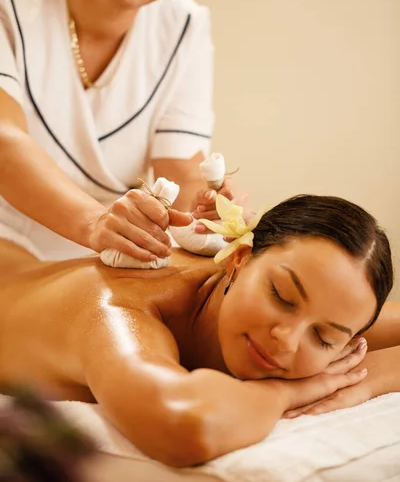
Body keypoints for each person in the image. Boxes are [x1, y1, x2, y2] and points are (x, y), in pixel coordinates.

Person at [0, 195, 399, 467]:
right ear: (240, 260)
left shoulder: (305, 304)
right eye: (281, 295)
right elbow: (184, 424)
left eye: (325, 338)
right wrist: (287, 392)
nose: (288, 339)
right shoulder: (118, 309)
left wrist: (362, 381)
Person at [0, 0, 235, 264]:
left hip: (111, 251)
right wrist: (94, 222)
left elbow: (180, 166)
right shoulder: (8, 0)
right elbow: (4, 142)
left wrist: (208, 209)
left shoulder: (185, 26)